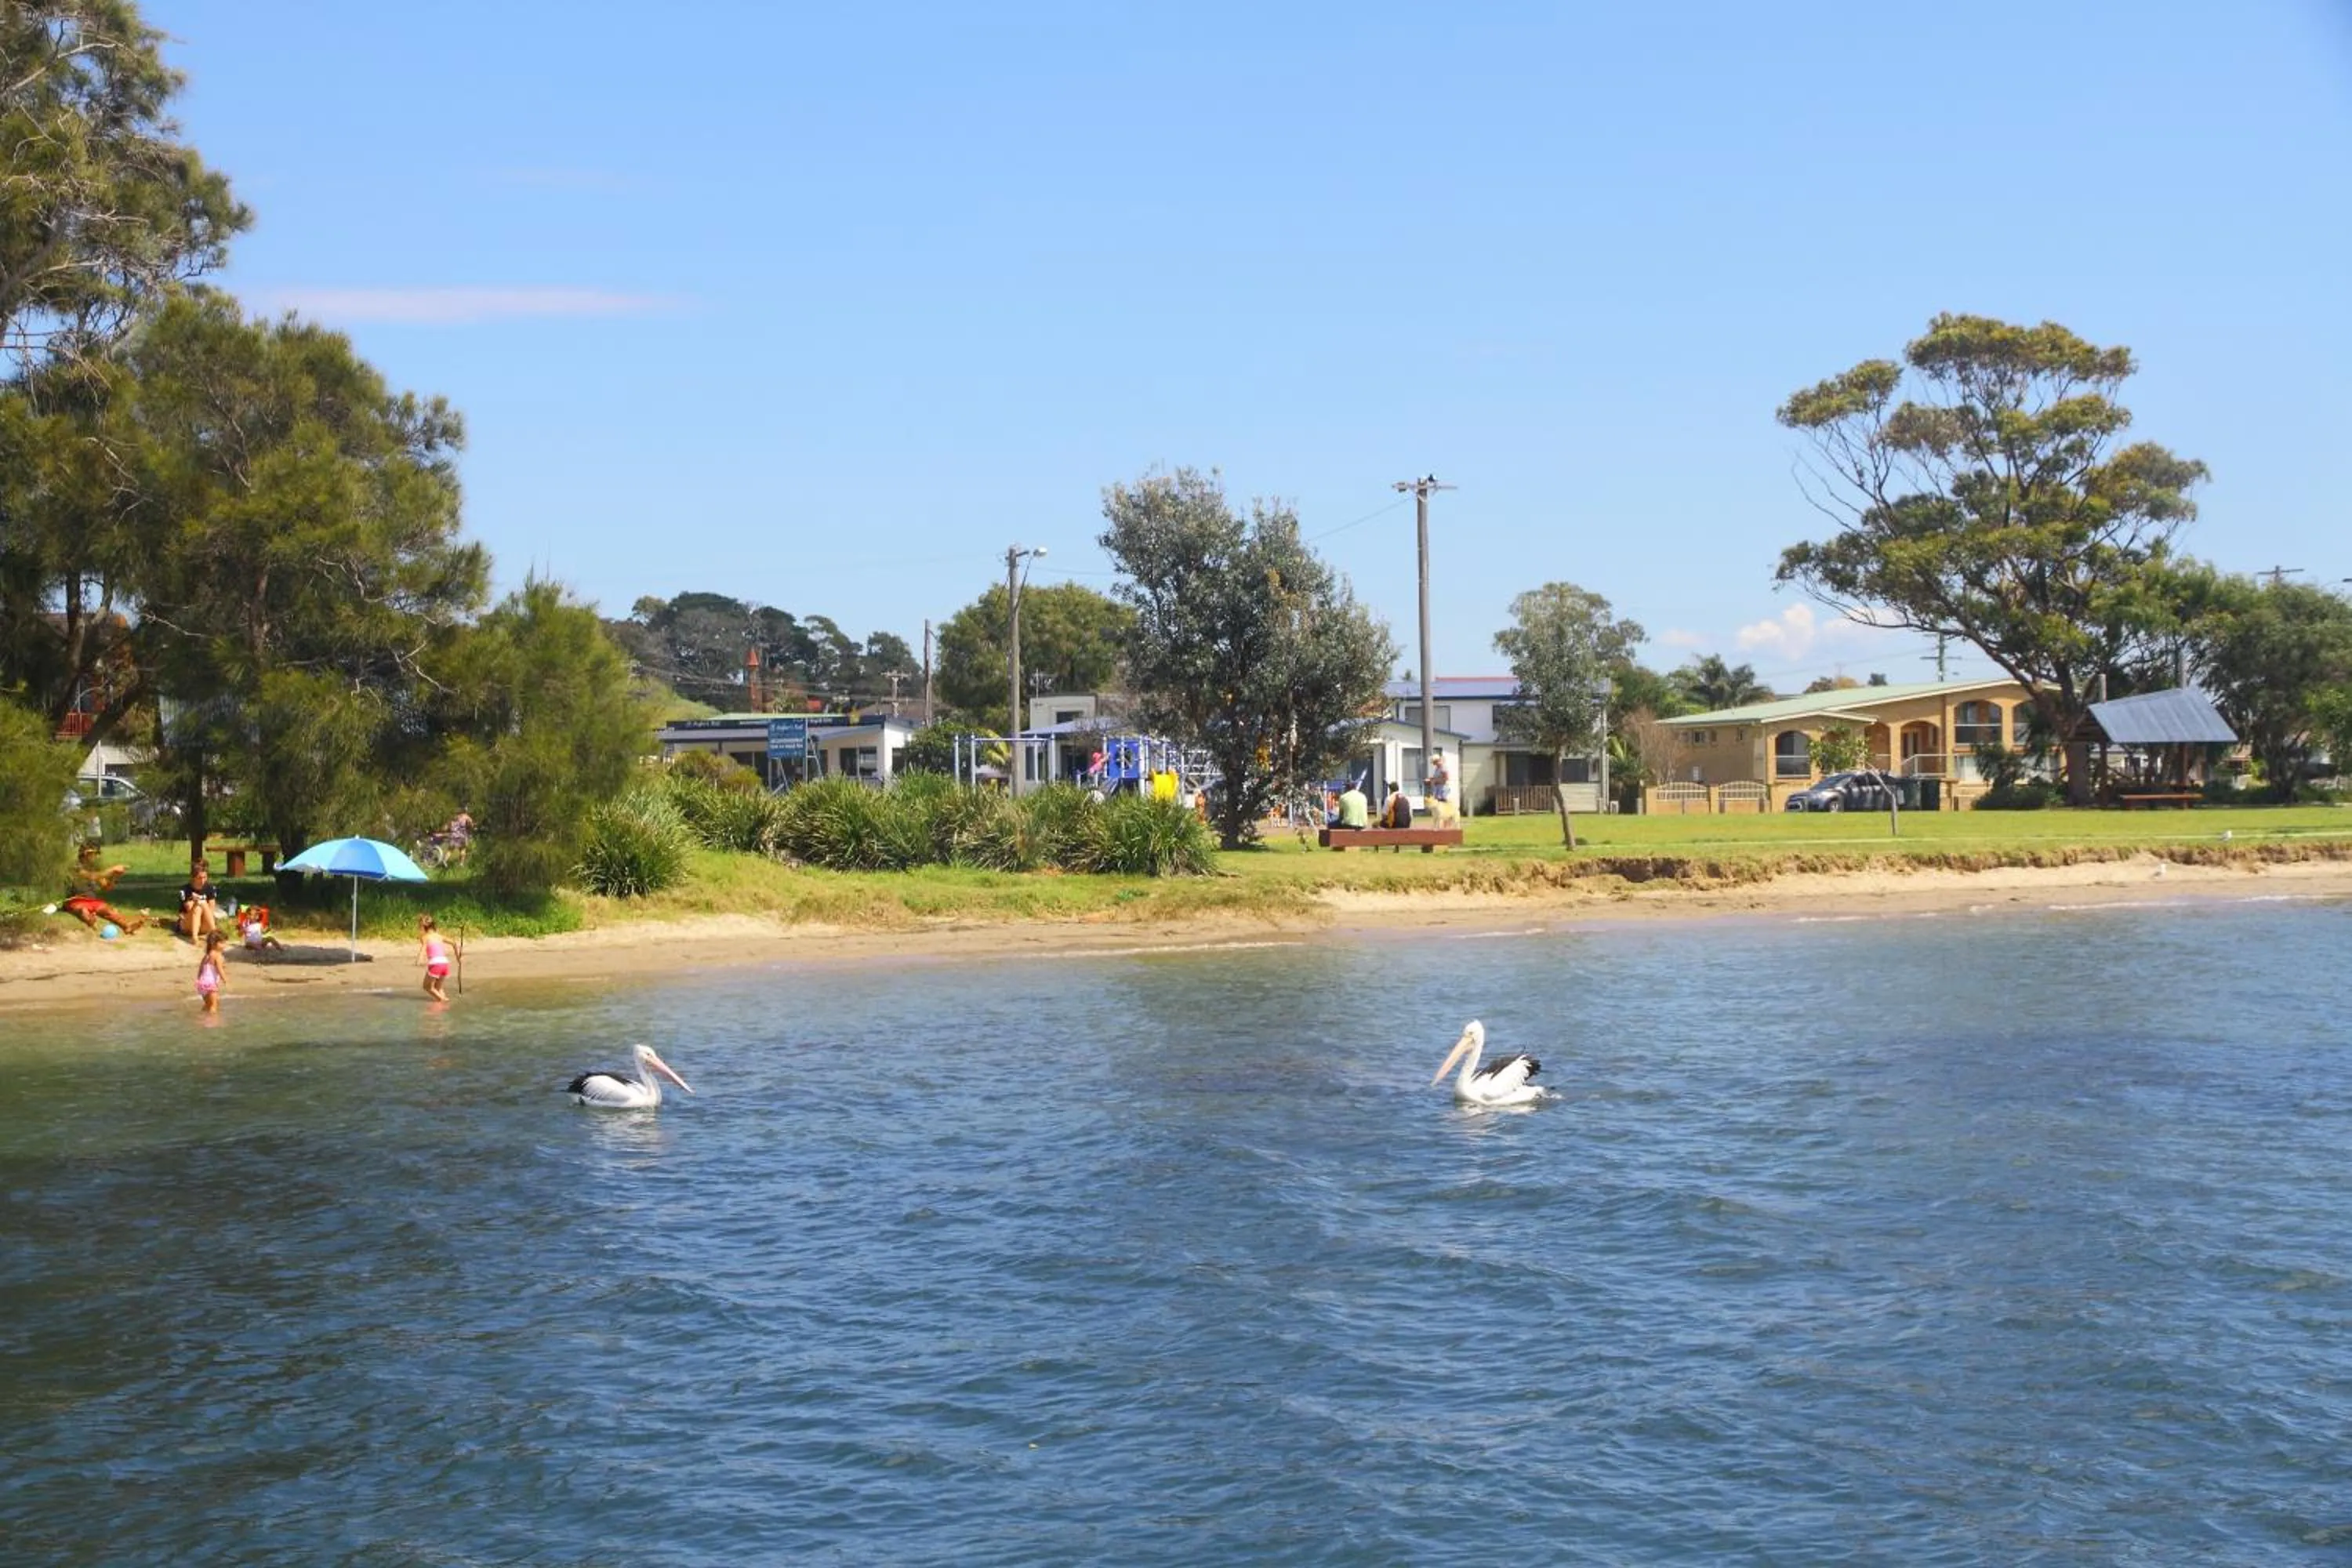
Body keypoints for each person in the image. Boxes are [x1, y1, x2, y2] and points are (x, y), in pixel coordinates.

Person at [59, 844, 145, 935]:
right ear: (85, 854)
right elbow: (92, 876)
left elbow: (107, 887)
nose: (96, 856)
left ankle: (127, 926)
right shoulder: (76, 867)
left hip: (92, 901)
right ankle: (90, 920)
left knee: (107, 909)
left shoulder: (94, 868)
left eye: (97, 854)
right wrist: (112, 870)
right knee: (83, 910)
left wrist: (115, 876)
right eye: (93, 853)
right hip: (75, 900)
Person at [418, 913, 458, 1003]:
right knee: (438, 988)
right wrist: (458, 958)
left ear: (423, 927)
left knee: (427, 987)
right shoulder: (439, 936)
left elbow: (424, 948)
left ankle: (442, 1000)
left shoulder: (425, 937)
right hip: (445, 963)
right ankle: (443, 1005)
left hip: (435, 964)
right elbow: (454, 943)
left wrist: (419, 960)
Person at [178, 862, 221, 942]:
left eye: (205, 877)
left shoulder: (210, 888)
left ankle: (199, 936)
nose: (203, 881)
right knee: (198, 906)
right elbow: (188, 909)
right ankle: (213, 933)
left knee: (202, 903)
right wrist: (194, 900)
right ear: (193, 877)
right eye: (199, 878)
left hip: (204, 924)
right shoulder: (186, 890)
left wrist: (201, 902)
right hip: (188, 924)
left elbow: (211, 910)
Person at [194, 931, 227, 1014]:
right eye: (222, 943)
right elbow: (220, 969)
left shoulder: (207, 955)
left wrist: (199, 980)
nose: (225, 945)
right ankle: (212, 1020)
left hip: (202, 984)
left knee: (208, 1004)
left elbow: (201, 969)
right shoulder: (218, 955)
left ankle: (202, 1016)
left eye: (225, 942)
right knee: (214, 1006)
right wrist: (225, 980)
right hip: (210, 984)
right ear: (213, 944)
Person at [1427, 750, 1456, 826]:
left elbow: (1446, 778)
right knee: (1439, 808)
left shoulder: (1443, 767)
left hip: (1443, 790)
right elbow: (1437, 777)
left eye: (1434, 762)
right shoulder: (1437, 768)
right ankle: (1441, 824)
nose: (1434, 764)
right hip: (1438, 790)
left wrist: (1435, 781)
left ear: (1437, 761)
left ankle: (1446, 823)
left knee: (1443, 807)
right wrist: (1431, 779)